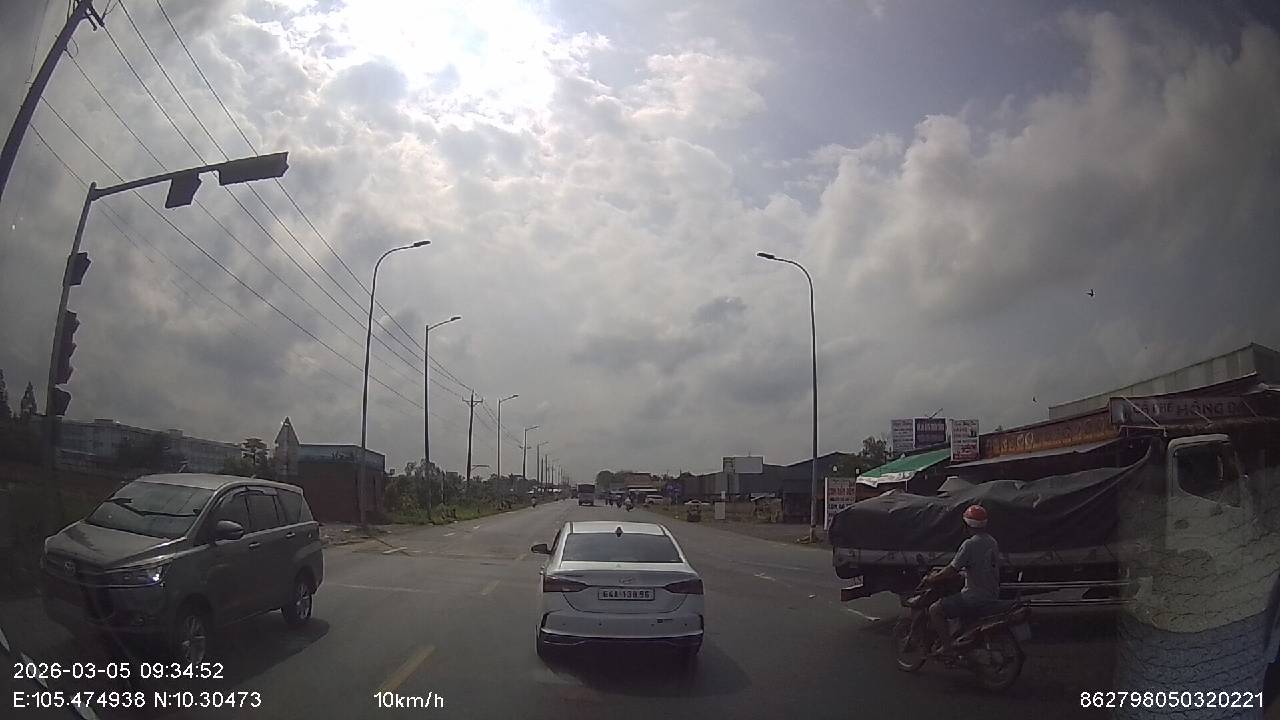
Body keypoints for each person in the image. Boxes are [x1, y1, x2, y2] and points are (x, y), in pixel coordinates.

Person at [927, 504, 1000, 654]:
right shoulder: (992, 541)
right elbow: (980, 565)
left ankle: (947, 648)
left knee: (935, 610)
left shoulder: (970, 544)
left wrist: (933, 577)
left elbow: (951, 569)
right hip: (992, 593)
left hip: (974, 596)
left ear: (967, 525)